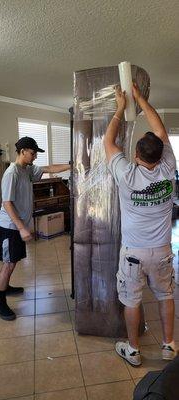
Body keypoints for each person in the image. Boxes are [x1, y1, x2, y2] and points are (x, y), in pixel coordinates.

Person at [104, 84, 177, 367]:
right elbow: (159, 130)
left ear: (136, 154)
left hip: (133, 252)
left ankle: (133, 350)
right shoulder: (169, 166)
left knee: (132, 301)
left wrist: (121, 107)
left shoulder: (126, 174)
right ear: (160, 154)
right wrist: (142, 99)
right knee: (166, 294)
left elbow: (108, 143)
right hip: (161, 251)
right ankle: (169, 345)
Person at [0, 136, 70, 321]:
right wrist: (22, 228)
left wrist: (71, 166)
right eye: (32, 153)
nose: (35, 157)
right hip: (9, 226)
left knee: (12, 262)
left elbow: (48, 169)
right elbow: (7, 203)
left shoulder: (27, 170)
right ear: (22, 152)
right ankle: (0, 301)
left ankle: (6, 288)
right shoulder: (12, 173)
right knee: (8, 264)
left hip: (16, 226)